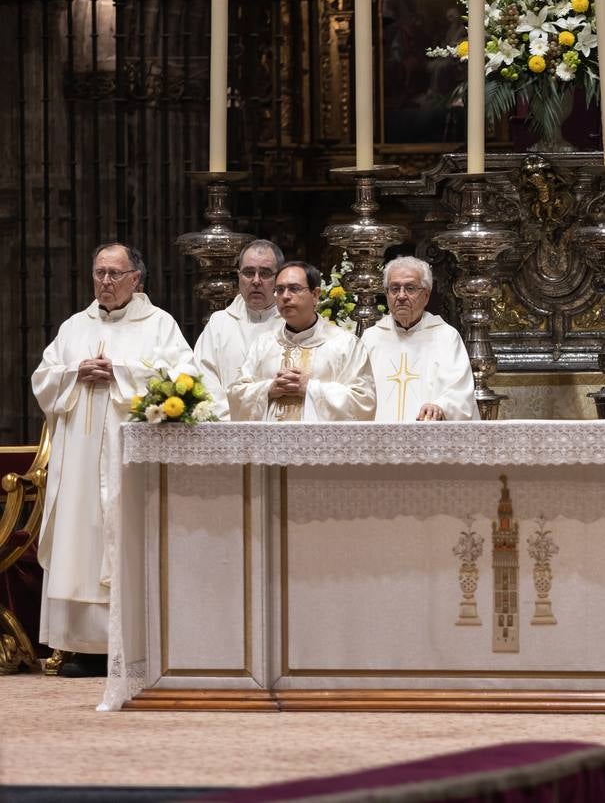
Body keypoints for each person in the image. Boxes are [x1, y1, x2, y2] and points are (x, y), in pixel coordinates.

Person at [30, 243, 192, 677]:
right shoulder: (72, 327)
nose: (105, 281)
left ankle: (135, 645)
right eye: (99, 272)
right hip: (79, 461)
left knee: (125, 536)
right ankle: (81, 647)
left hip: (130, 457)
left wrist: (118, 371)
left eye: (114, 273)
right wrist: (74, 373)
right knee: (80, 541)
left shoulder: (160, 325)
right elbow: (43, 379)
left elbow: (184, 379)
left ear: (135, 279)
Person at [227, 261, 376, 421]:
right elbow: (236, 394)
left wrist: (310, 388)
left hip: (321, 444)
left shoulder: (345, 344)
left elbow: (364, 401)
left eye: (294, 289)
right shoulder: (263, 345)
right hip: (271, 444)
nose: (285, 296)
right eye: (279, 290)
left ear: (315, 295)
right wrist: (269, 389)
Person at [360, 256, 478, 422]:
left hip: (430, 438)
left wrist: (441, 406)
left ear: (426, 296)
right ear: (386, 294)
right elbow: (359, 393)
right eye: (394, 288)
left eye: (410, 288)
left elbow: (460, 391)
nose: (401, 296)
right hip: (378, 441)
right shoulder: (371, 338)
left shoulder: (446, 337)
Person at [194, 240, 285, 418]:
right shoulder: (219, 324)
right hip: (224, 429)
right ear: (239, 276)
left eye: (265, 273)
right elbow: (203, 379)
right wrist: (228, 421)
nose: (256, 281)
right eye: (249, 272)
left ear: (278, 278)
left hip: (277, 430)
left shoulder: (291, 324)